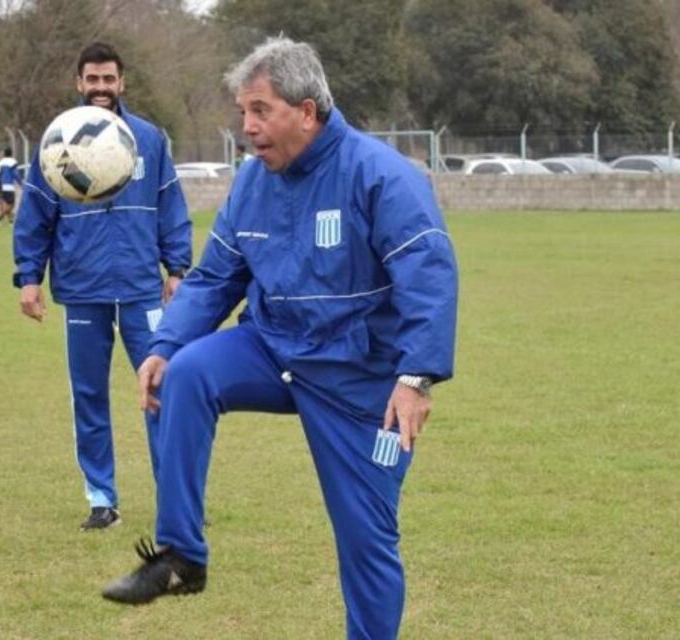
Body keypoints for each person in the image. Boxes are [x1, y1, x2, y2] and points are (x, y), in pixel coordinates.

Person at [101, 37, 458, 640]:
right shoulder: (251, 184)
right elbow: (215, 277)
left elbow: (429, 276)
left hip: (359, 379)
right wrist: (164, 346)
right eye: (243, 112)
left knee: (366, 539)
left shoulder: (383, 178)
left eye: (260, 110)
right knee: (186, 372)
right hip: (272, 348)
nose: (247, 127)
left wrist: (415, 377)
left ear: (307, 112)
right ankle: (182, 557)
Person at [13, 42, 192, 531]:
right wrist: (29, 278)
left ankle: (176, 496)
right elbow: (34, 215)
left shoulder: (149, 140)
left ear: (122, 82)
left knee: (163, 390)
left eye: (108, 79)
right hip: (82, 288)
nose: (100, 88)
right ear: (78, 83)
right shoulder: (58, 141)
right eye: (91, 80)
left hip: (140, 288)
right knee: (89, 395)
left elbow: (171, 208)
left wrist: (176, 269)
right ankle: (101, 499)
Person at [0, 147, 19, 224]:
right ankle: (0, 217)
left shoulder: (0, 163)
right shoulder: (13, 162)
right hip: (9, 187)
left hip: (1, 186)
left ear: (4, 154)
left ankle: (10, 221)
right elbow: (16, 174)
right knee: (12, 204)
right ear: (11, 154)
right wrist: (21, 183)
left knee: (5, 204)